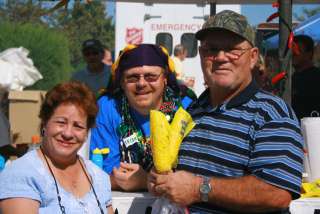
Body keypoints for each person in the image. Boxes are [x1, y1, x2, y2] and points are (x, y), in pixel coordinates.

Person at [148, 10, 304, 214]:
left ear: (253, 57)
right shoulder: (191, 111)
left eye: (232, 49)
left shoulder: (271, 112)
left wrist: (199, 189)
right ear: (201, 55)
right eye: (211, 49)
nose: (221, 57)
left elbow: (277, 192)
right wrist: (158, 179)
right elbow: (179, 178)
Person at [90, 44, 196, 191]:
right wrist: (119, 180)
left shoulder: (185, 106)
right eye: (132, 77)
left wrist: (145, 180)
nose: (141, 83)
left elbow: (193, 174)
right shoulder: (108, 107)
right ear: (121, 81)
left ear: (165, 78)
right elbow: (104, 173)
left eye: (151, 76)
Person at [0, 82, 114, 214]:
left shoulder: (99, 177)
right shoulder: (21, 174)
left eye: (78, 126)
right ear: (44, 123)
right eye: (61, 122)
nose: (67, 133)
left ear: (86, 132)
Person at [292, 35, 320, 120]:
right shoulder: (292, 77)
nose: (293, 54)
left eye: (298, 50)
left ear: (309, 53)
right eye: (292, 50)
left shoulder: (316, 76)